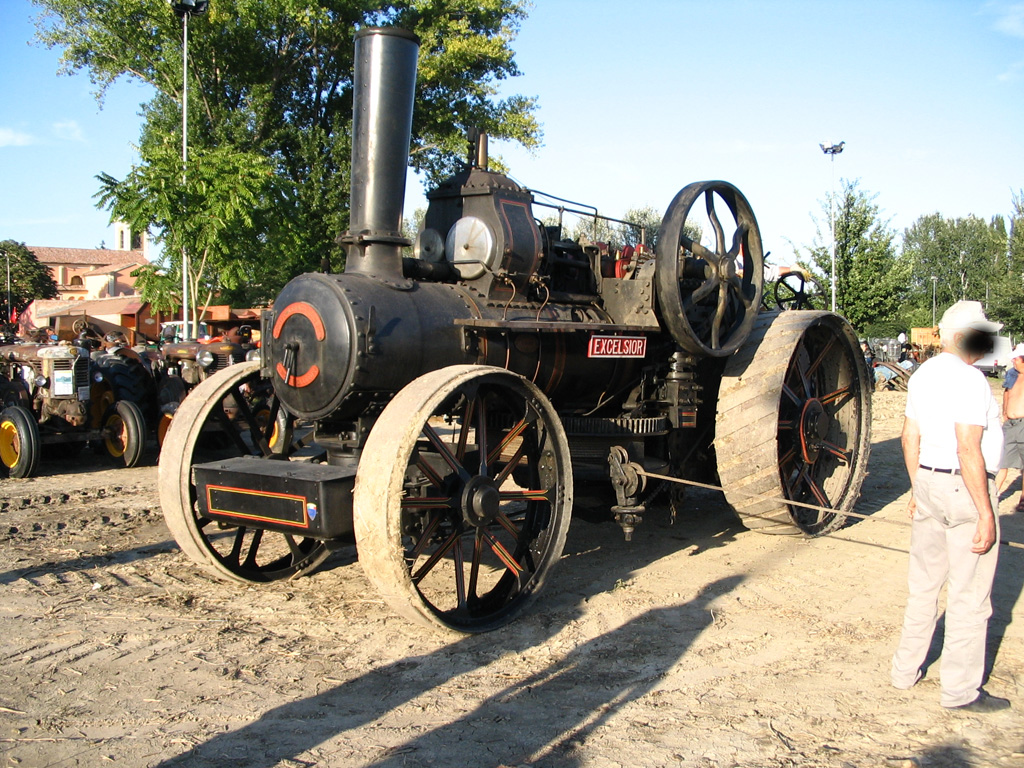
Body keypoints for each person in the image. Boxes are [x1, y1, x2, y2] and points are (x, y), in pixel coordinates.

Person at [891, 300, 1010, 712]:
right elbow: (967, 448)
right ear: (961, 338)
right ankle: (960, 692)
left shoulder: (923, 374)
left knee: (923, 588)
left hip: (927, 480)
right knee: (969, 597)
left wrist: (916, 488)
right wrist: (986, 513)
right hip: (965, 487)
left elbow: (909, 437)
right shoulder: (970, 380)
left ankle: (904, 671)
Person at [996, 344, 1024, 510]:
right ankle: (993, 495)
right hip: (1010, 425)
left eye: (1016, 358)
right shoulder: (1012, 375)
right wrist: (1005, 412)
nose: (1013, 361)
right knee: (1001, 462)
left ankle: (1023, 500)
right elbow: (1007, 393)